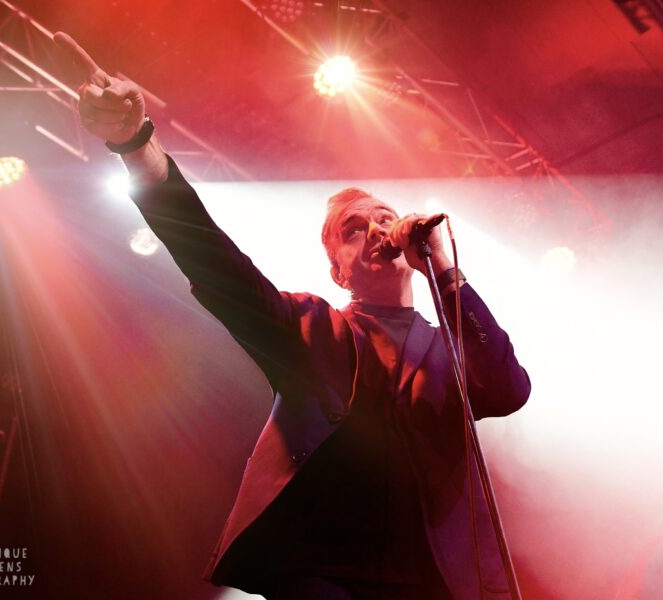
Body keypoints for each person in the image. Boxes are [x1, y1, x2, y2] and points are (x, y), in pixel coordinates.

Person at [55, 32, 531, 599]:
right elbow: (212, 257)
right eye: (353, 230)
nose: (375, 229)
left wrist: (445, 272)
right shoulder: (311, 327)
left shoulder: (446, 345)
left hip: (430, 582)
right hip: (317, 574)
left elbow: (507, 391)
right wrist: (137, 145)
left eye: (384, 217)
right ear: (338, 271)